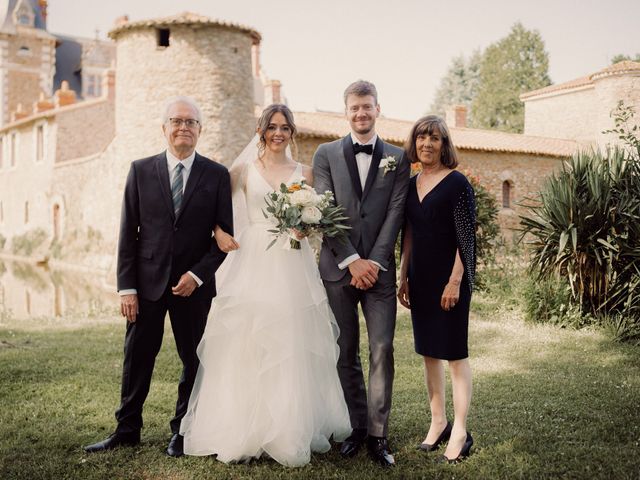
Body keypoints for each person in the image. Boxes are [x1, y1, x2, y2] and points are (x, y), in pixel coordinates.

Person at [179, 104, 351, 467]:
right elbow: (214, 214)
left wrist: (308, 226)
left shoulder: (306, 173)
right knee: (248, 341)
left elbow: (322, 216)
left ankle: (288, 429)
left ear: (292, 133)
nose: (278, 133)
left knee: (290, 341)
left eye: (284, 127)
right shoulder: (241, 172)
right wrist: (221, 233)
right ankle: (245, 430)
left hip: (292, 262)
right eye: (271, 127)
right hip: (253, 260)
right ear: (261, 131)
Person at [83, 96, 233, 457]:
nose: (184, 127)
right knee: (137, 357)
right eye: (177, 121)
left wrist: (197, 276)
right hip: (146, 284)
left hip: (192, 288)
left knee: (194, 359)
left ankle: (182, 431)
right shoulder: (140, 170)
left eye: (191, 122)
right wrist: (127, 288)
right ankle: (126, 428)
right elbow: (127, 234)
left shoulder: (216, 175)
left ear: (200, 130)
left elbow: (224, 239)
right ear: (164, 128)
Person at [311, 80, 410, 467]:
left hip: (379, 274)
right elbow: (322, 207)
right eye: (354, 107)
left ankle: (378, 434)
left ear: (378, 109)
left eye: (367, 107)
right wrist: (351, 259)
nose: (361, 113)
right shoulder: (325, 154)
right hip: (337, 270)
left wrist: (373, 263)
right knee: (344, 351)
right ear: (346, 111)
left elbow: (395, 214)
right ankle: (356, 426)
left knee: (382, 348)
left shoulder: (398, 158)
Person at [397, 115, 476, 463]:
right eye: (421, 138)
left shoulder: (458, 184)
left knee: (454, 355)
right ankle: (438, 421)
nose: (426, 143)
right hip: (421, 278)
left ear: (444, 144)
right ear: (414, 144)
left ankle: (460, 429)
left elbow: (467, 238)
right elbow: (409, 234)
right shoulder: (411, 183)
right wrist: (403, 275)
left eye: (434, 138)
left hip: (450, 280)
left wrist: (455, 281)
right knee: (429, 353)